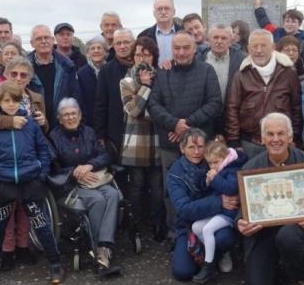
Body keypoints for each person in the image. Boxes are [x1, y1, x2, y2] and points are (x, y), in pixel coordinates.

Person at [0, 81, 63, 284]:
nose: (11, 104)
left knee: (41, 225)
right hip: (2, 184)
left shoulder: (31, 125)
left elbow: (43, 150)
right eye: (6, 101)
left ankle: (55, 264)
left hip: (30, 183)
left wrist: (40, 176)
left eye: (15, 100)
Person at [237, 113, 304, 285]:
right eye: (270, 134)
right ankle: (279, 262)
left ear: (290, 137)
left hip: (296, 227)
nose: (275, 139)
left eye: (281, 134)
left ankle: (300, 277)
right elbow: (243, 207)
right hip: (263, 231)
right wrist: (240, 222)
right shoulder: (250, 168)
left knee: (287, 237)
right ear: (262, 138)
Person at [0, 56, 47, 270]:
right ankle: (7, 250)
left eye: (23, 75)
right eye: (14, 73)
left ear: (30, 78)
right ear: (6, 74)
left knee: (25, 212)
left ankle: (23, 247)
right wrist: (9, 121)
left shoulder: (36, 97)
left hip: (28, 164)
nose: (18, 78)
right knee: (6, 212)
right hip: (3, 162)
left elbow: (42, 133)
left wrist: (44, 122)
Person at [148, 31, 222, 236]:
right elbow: (153, 104)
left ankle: (205, 231)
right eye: (177, 48)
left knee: (204, 186)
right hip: (170, 143)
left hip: (200, 143)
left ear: (195, 48)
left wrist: (186, 126)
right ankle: (176, 232)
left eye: (186, 48)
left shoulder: (207, 71)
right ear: (171, 50)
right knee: (171, 190)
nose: (181, 53)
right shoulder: (163, 73)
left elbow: (215, 103)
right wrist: (174, 125)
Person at [48, 97, 121, 274]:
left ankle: (104, 247)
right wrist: (74, 172)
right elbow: (52, 167)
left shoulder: (89, 132)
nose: (70, 117)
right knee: (98, 200)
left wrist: (90, 166)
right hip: (70, 185)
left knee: (113, 194)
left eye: (74, 113)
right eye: (66, 115)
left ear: (80, 115)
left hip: (93, 178)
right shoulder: (53, 137)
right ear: (59, 118)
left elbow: (105, 155)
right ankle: (99, 252)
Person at [166, 129, 239, 282]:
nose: (197, 152)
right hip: (187, 226)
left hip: (217, 218)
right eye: (191, 147)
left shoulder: (214, 161)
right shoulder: (175, 172)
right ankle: (201, 252)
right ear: (182, 148)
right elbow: (183, 209)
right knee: (182, 272)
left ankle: (219, 254)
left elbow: (234, 170)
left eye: (201, 147)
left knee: (224, 238)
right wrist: (219, 201)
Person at [225, 29, 302, 159]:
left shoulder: (288, 73)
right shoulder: (241, 75)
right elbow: (232, 108)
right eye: (255, 46)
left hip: (281, 142)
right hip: (250, 143)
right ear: (248, 49)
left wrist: (294, 136)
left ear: (273, 47)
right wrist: (234, 140)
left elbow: (296, 107)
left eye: (263, 46)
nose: (259, 50)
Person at [119, 37, 164, 241]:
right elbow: (134, 110)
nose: (142, 58)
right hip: (135, 144)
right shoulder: (126, 81)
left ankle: (157, 224)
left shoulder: (163, 78)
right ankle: (134, 226)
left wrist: (150, 112)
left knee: (156, 187)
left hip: (156, 142)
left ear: (153, 56)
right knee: (136, 187)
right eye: (138, 54)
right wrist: (145, 86)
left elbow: (164, 110)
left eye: (146, 54)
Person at [189, 140, 247, 284]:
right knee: (196, 227)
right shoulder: (221, 168)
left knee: (208, 229)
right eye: (210, 163)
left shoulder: (233, 168)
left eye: (216, 162)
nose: (213, 166)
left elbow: (230, 188)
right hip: (219, 210)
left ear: (226, 157)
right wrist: (208, 181)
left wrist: (214, 178)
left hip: (230, 213)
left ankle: (208, 266)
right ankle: (214, 253)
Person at [27, 24, 83, 129]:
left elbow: (75, 97)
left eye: (46, 37)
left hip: (61, 126)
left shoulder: (67, 66)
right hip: (33, 126)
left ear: (53, 40)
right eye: (39, 39)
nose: (43, 41)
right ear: (32, 43)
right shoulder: (24, 68)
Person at [93, 28, 135, 162]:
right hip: (116, 131)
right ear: (113, 46)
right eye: (118, 43)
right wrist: (100, 134)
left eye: (126, 42)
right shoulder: (106, 70)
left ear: (133, 43)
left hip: (140, 129)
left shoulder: (142, 66)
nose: (122, 46)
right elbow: (101, 103)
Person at [197, 24, 246, 135]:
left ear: (231, 41)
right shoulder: (198, 59)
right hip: (204, 119)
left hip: (232, 119)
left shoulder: (242, 60)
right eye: (215, 37)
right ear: (208, 39)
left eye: (224, 38)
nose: (219, 41)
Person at [138, 0, 183, 65]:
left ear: (174, 12)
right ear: (154, 13)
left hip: (181, 74)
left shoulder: (185, 34)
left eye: (167, 8)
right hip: (152, 75)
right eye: (159, 9)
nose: (163, 12)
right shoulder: (143, 36)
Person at [77, 35, 108, 129]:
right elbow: (80, 101)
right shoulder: (81, 74)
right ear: (87, 53)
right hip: (89, 123)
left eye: (99, 48)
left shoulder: (111, 70)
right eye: (92, 48)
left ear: (106, 52)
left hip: (110, 122)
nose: (96, 51)